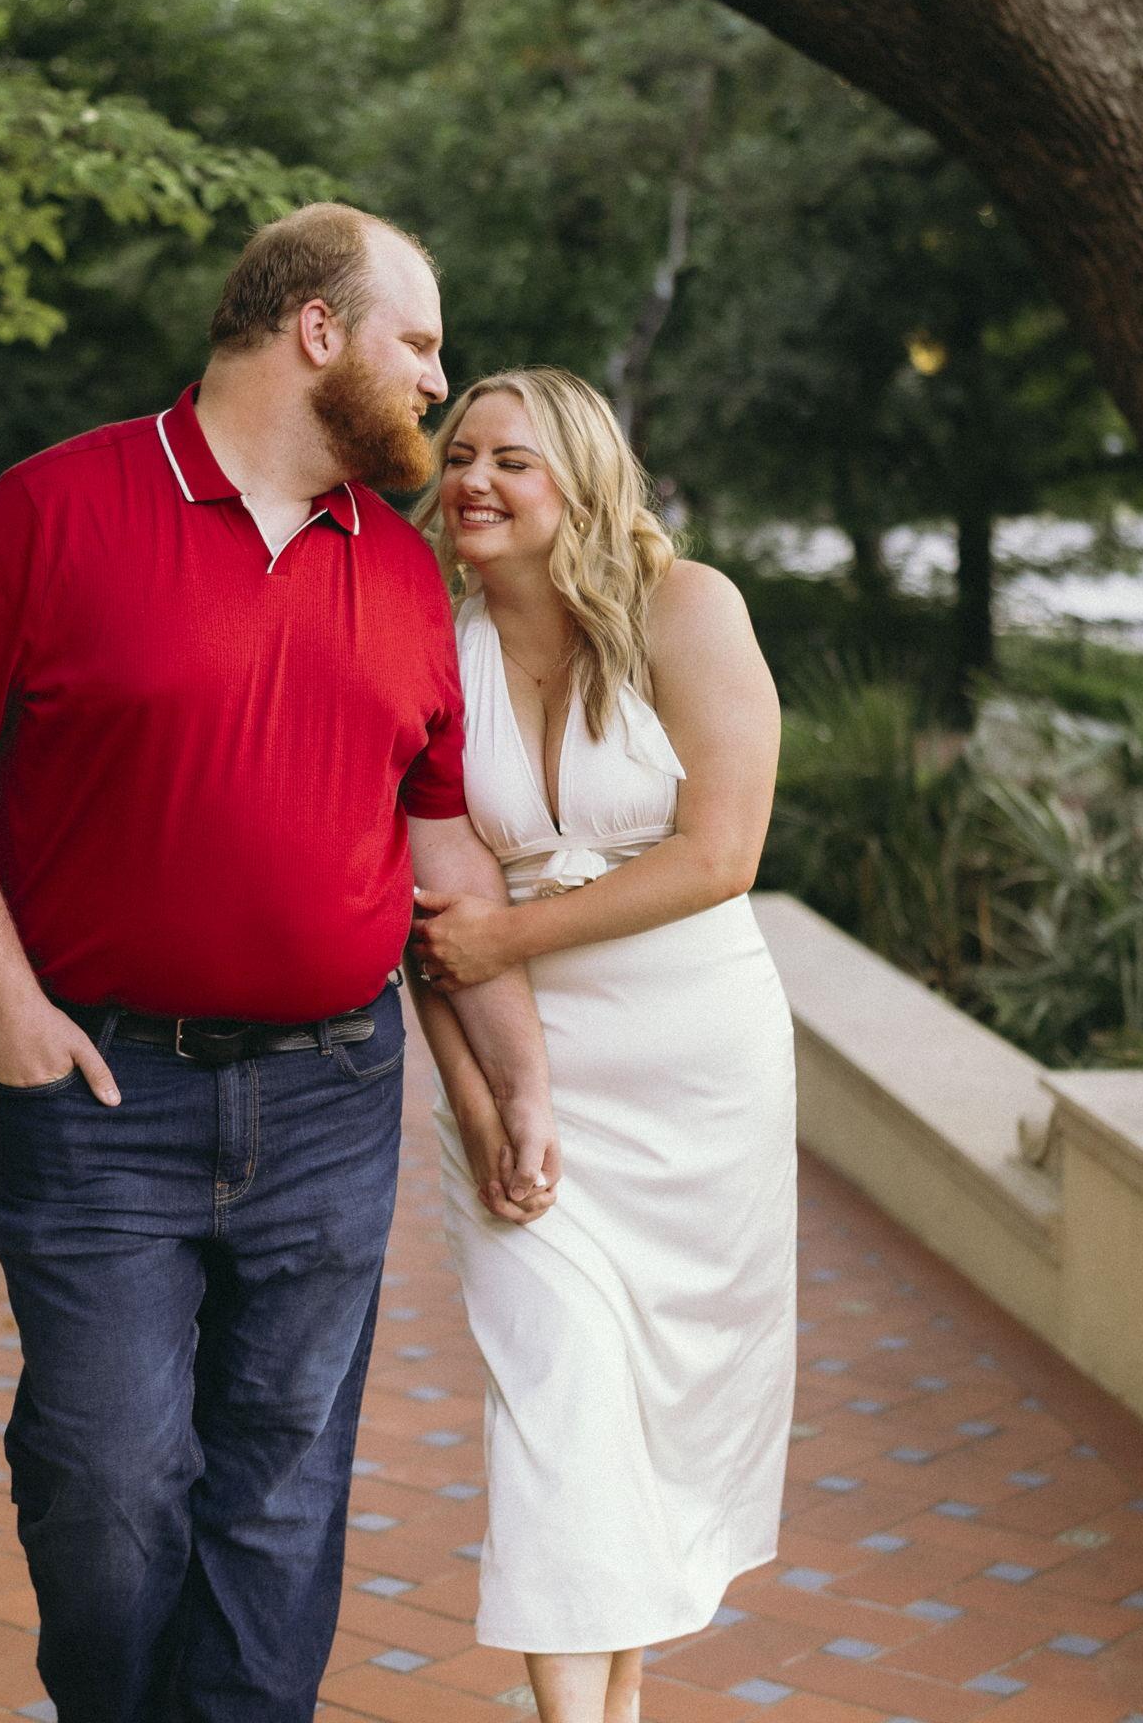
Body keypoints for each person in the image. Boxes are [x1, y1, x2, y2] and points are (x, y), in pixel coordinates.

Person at [0, 203, 561, 1723]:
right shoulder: (55, 509)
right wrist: (7, 1010)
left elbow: (443, 850)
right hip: (104, 1096)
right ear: (317, 330)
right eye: (417, 343)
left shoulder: (399, 569)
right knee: (107, 1479)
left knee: (282, 1483)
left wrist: (519, 1081)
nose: (437, 382)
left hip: (334, 1097)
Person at [406, 367, 795, 1723]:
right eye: (461, 455)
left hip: (697, 1068)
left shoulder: (689, 609)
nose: (474, 480)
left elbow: (722, 852)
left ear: (581, 478)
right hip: (519, 1058)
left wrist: (507, 936)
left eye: (511, 459)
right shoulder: (426, 641)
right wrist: (477, 1102)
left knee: (647, 1421)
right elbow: (428, 918)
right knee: (557, 1396)